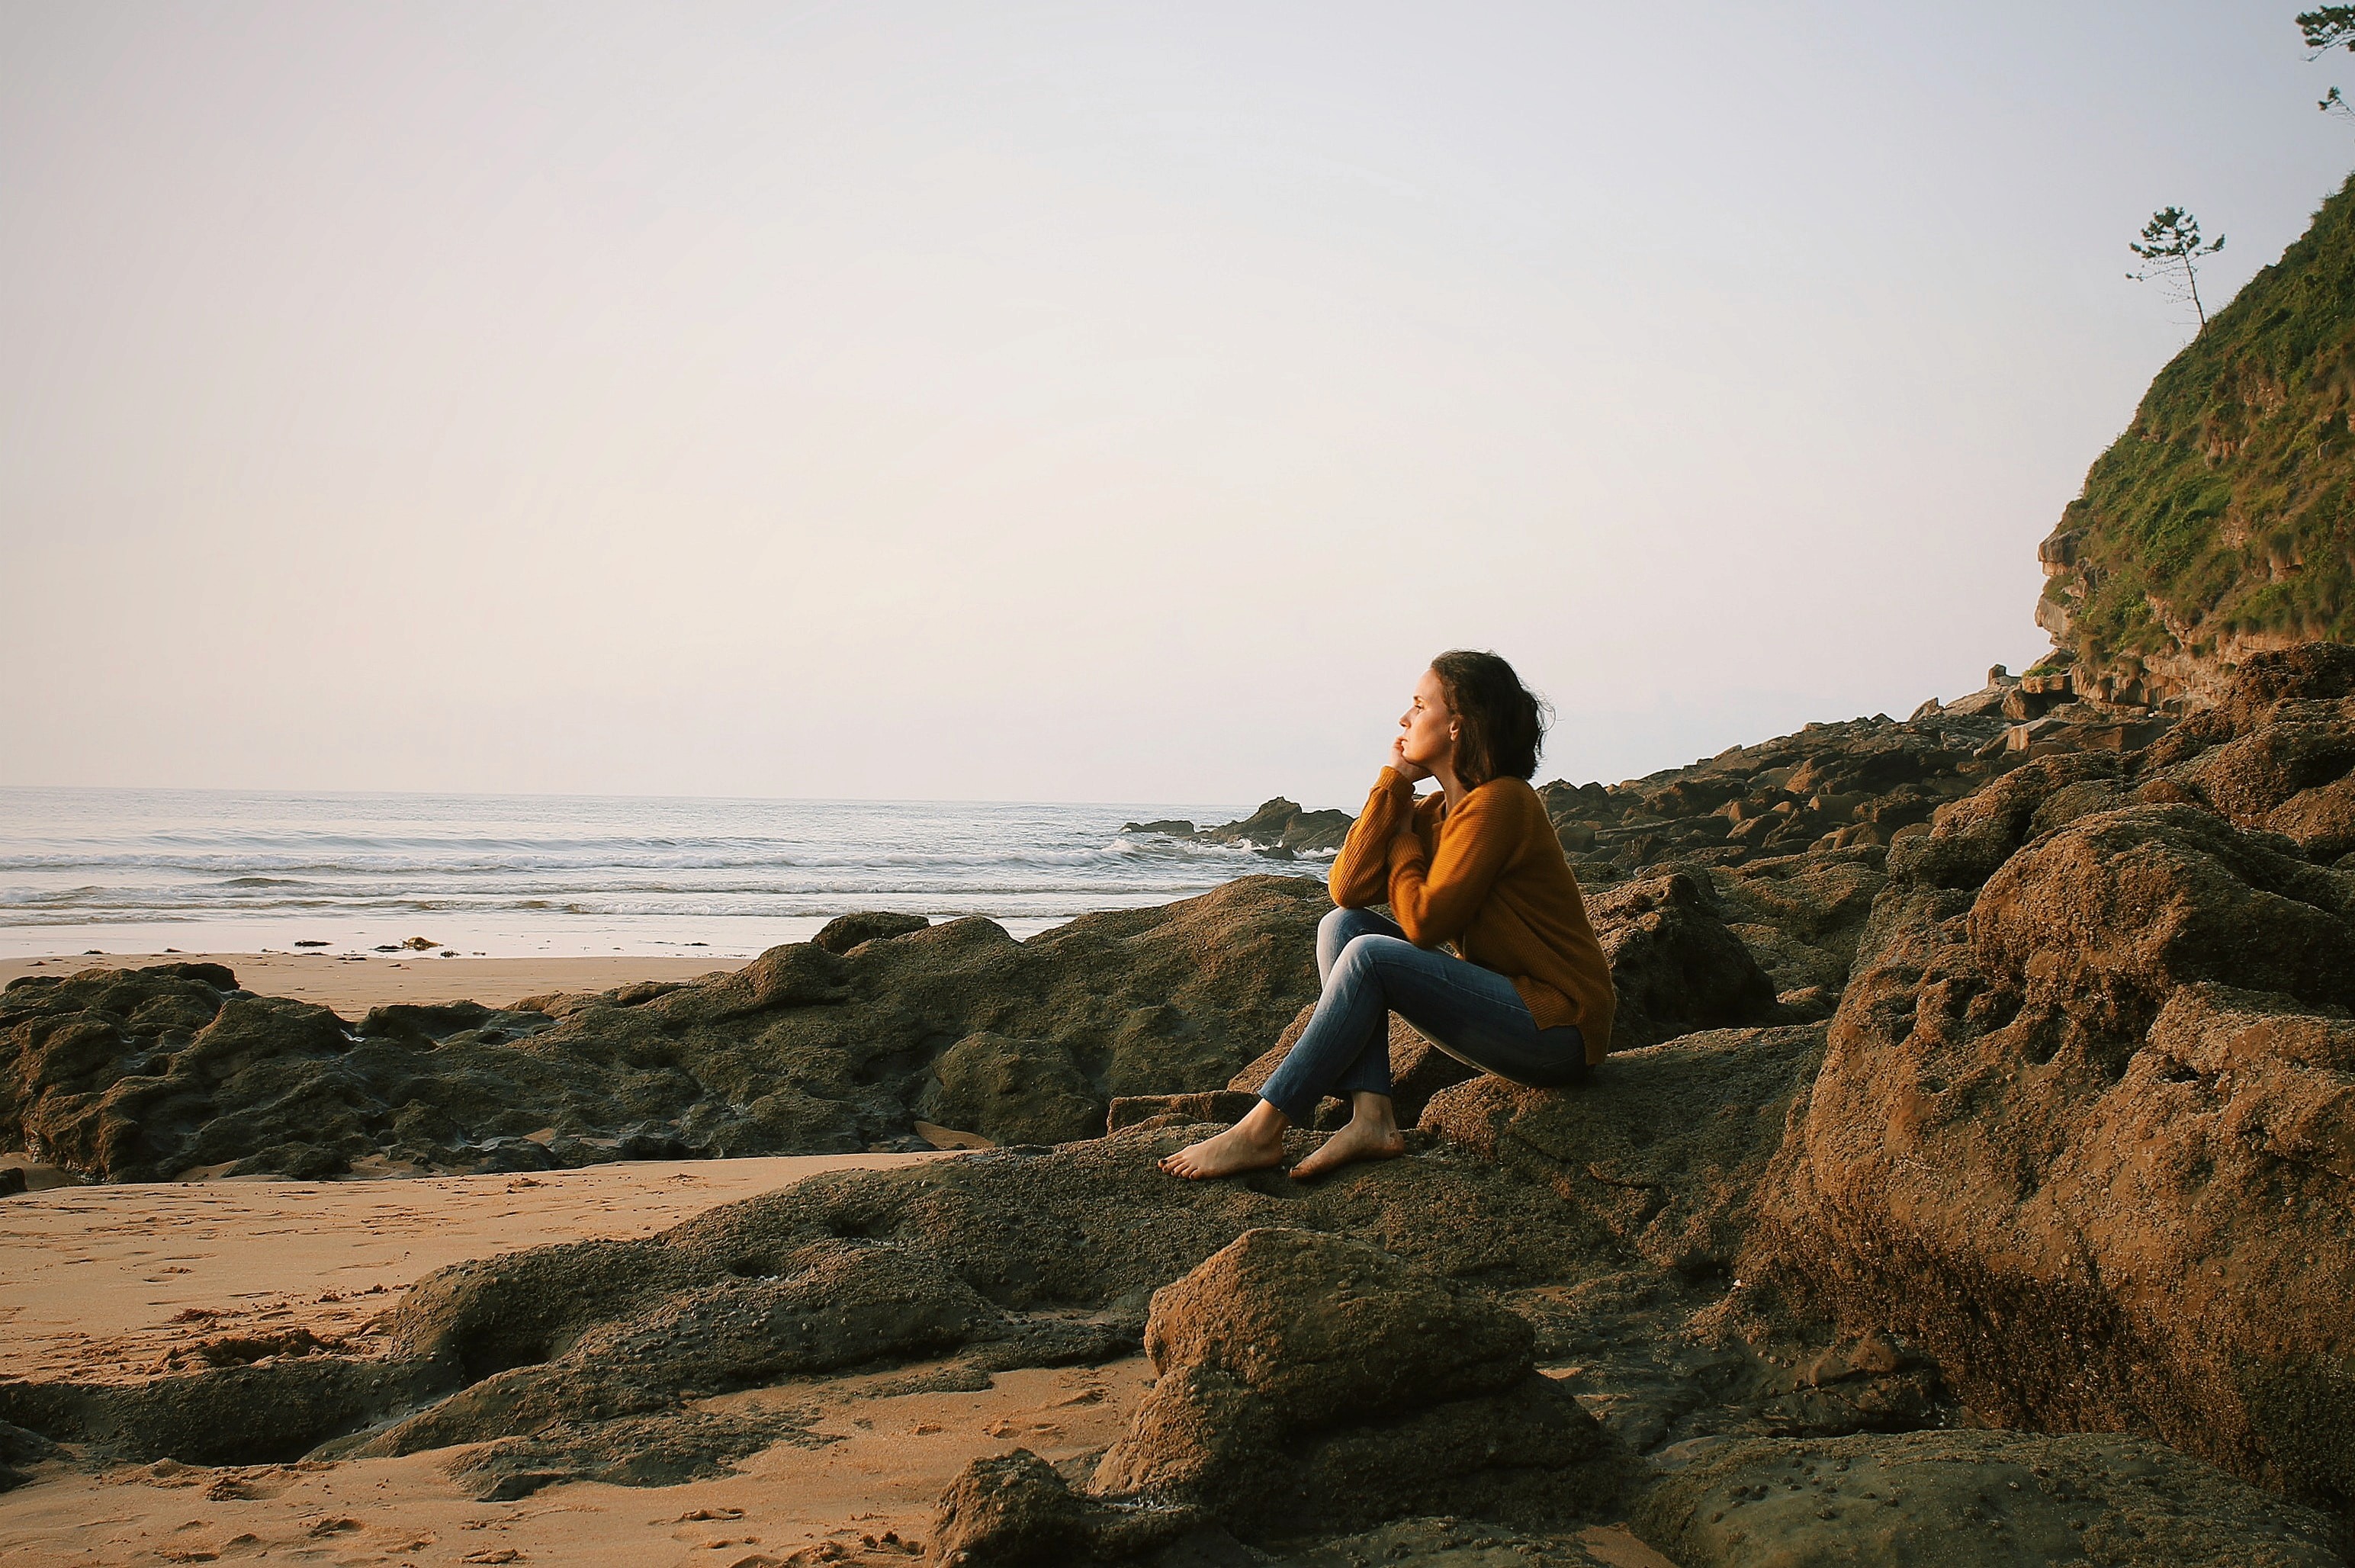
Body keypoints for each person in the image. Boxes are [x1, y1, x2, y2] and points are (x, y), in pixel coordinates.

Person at [1161, 650, 1615, 1181]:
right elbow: (1347, 890)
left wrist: (1402, 846)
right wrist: (1394, 784)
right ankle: (1371, 1115)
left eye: (1420, 705)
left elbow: (1424, 924)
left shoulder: (1503, 803)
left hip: (1559, 1028)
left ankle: (1263, 1128)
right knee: (1342, 927)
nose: (1404, 719)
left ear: (1457, 727)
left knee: (1370, 956)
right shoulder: (1434, 813)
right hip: (1510, 1007)